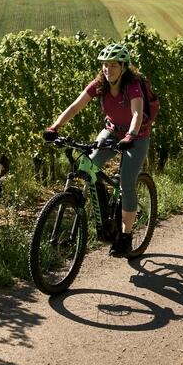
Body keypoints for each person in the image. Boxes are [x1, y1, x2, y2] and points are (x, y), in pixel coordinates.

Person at [44, 42, 151, 257]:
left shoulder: (133, 85)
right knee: (88, 167)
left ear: (123, 67)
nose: (107, 70)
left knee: (127, 184)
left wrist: (130, 135)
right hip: (111, 131)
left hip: (136, 136)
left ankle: (126, 235)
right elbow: (76, 106)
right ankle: (104, 209)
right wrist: (55, 127)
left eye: (113, 65)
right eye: (104, 65)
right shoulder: (99, 84)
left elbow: (138, 113)